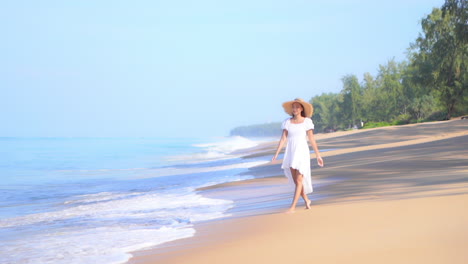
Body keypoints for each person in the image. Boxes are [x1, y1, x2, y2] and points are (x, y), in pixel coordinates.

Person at [272, 98, 324, 213]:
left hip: (302, 152)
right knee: (296, 181)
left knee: (299, 180)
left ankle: (293, 207)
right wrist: (276, 154)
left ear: (301, 109)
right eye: (293, 107)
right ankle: (307, 200)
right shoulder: (287, 122)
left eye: (297, 107)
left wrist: (318, 155)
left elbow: (311, 139)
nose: (295, 109)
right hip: (291, 152)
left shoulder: (307, 122)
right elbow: (283, 139)